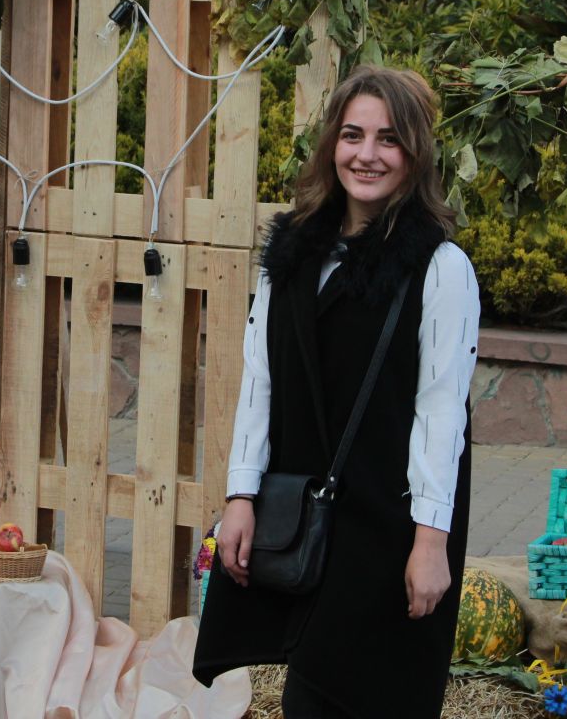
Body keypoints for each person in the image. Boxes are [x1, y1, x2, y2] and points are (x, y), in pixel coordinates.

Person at [192, 66, 481, 716]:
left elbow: (441, 412)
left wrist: (431, 543)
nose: (367, 154)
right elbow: (261, 379)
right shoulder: (293, 256)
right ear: (332, 144)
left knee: (378, 697)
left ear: (414, 154)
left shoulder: (440, 268)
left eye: (388, 139)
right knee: (310, 695)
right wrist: (241, 496)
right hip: (307, 513)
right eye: (353, 135)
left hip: (390, 528)